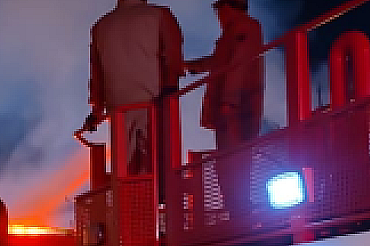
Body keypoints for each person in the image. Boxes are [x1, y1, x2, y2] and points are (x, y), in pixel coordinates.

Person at [85, 0, 184, 176]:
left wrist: (96, 111)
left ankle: (131, 198)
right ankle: (157, 197)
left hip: (118, 110)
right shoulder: (160, 15)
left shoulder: (100, 26)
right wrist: (170, 89)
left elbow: (96, 75)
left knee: (125, 171)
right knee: (157, 167)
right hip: (155, 105)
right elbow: (173, 58)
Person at [186, 0, 264, 152]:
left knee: (233, 157)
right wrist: (190, 67)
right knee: (228, 157)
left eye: (218, 10)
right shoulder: (235, 31)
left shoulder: (245, 27)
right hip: (231, 108)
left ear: (227, 7)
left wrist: (229, 101)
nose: (218, 16)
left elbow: (238, 63)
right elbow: (221, 61)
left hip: (237, 109)